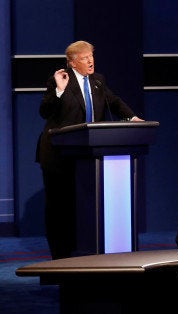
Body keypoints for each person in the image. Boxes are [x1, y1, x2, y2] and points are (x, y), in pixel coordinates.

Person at [36, 40, 144, 259]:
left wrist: (132, 118)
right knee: (59, 208)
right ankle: (60, 257)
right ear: (73, 63)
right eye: (84, 58)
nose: (90, 60)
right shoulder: (60, 80)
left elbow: (114, 102)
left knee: (84, 207)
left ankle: (87, 253)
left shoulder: (98, 81)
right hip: (58, 156)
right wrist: (59, 90)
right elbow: (45, 112)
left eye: (91, 56)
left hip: (87, 156)